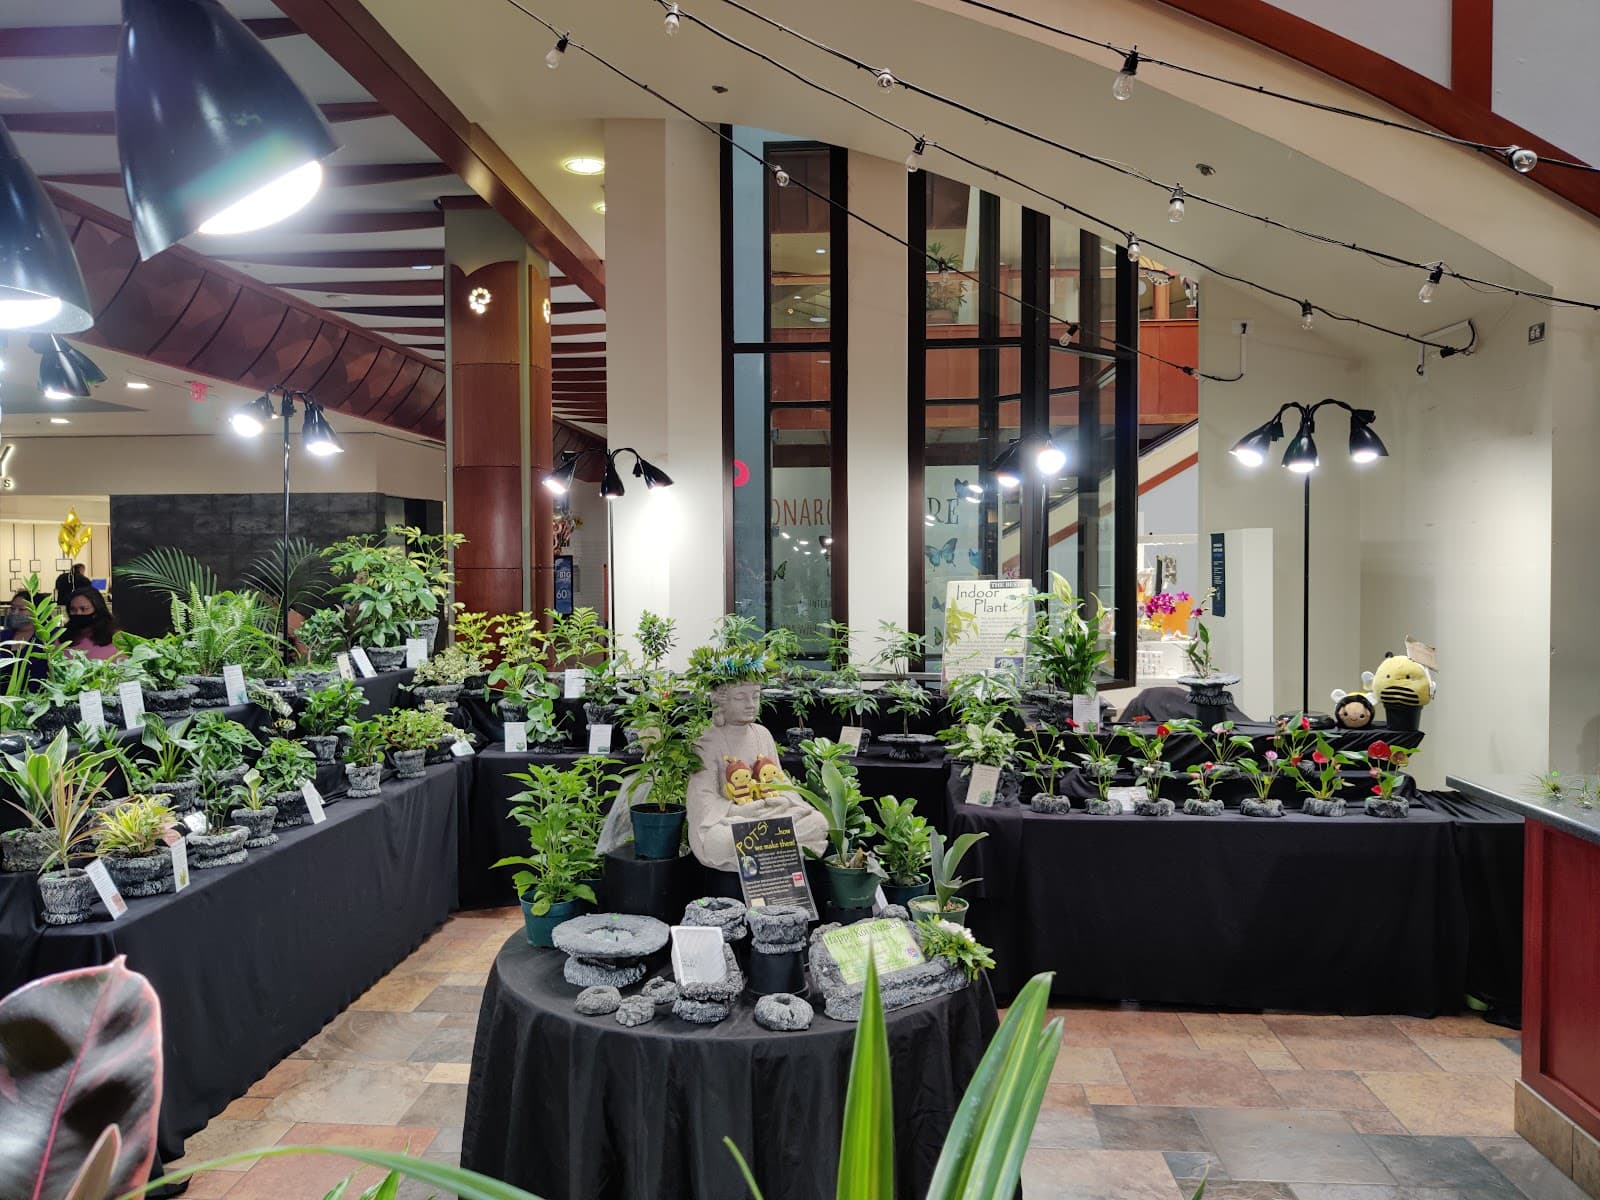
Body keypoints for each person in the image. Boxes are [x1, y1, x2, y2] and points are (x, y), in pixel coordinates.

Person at [63, 586, 122, 660]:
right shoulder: (63, 638)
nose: (78, 613)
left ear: (97, 609)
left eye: (84, 609)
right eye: (73, 609)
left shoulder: (116, 639)